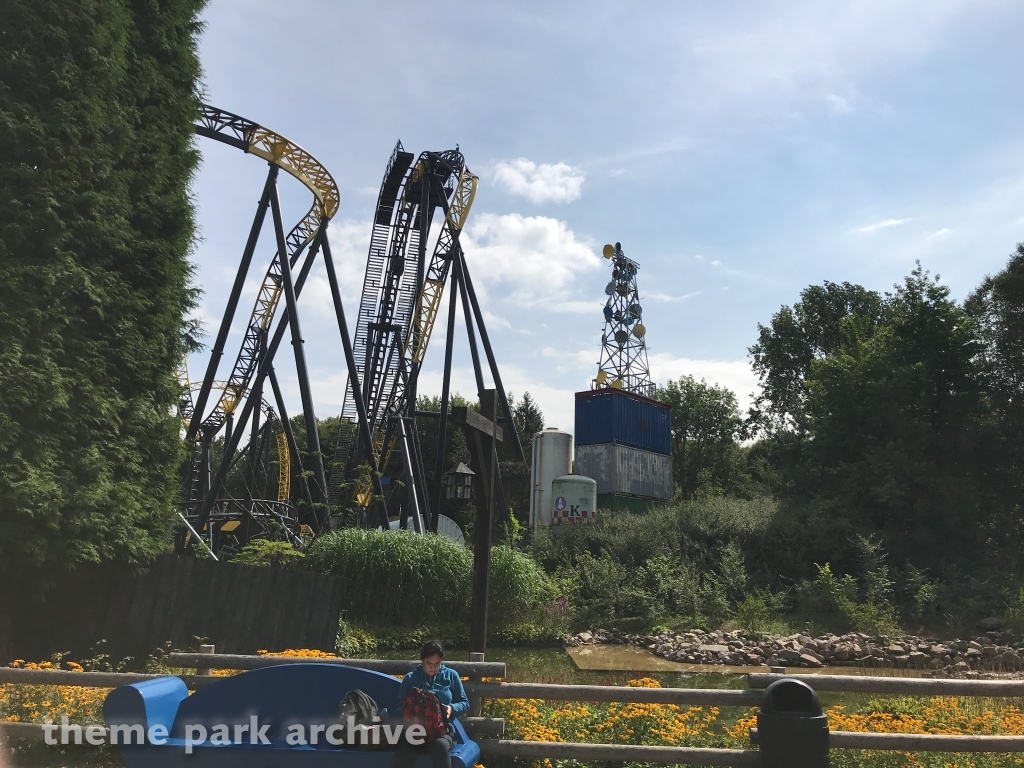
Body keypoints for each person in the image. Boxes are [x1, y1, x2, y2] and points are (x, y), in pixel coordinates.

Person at [390, 640, 468, 768]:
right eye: (429, 663)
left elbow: (464, 703)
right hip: (415, 729)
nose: (433, 667)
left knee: (440, 746)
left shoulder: (451, 675)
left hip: (442, 730)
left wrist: (451, 708)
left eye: (437, 663)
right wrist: (412, 711)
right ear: (422, 661)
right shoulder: (411, 678)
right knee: (404, 747)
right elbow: (399, 707)